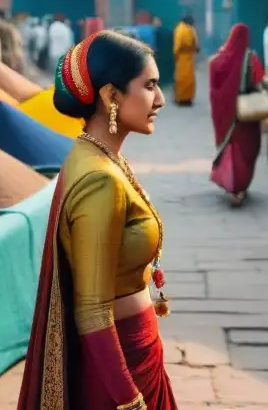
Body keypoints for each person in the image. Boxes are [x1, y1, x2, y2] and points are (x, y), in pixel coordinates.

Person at [17, 31, 176, 410]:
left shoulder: (100, 156)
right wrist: (129, 400)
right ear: (111, 96)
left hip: (133, 351)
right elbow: (91, 309)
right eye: (149, 85)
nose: (160, 99)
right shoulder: (100, 179)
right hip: (121, 367)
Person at [209, 24, 265, 207]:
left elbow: (214, 66)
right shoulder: (251, 57)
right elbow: (259, 79)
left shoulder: (224, 56)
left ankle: (235, 186)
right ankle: (242, 186)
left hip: (231, 115)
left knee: (234, 152)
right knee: (249, 151)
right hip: (248, 114)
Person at [173, 15, 199, 106]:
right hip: (188, 57)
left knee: (181, 79)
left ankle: (180, 98)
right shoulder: (190, 30)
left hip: (181, 58)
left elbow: (177, 45)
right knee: (189, 79)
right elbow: (196, 44)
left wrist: (176, 55)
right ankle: (188, 98)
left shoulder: (179, 29)